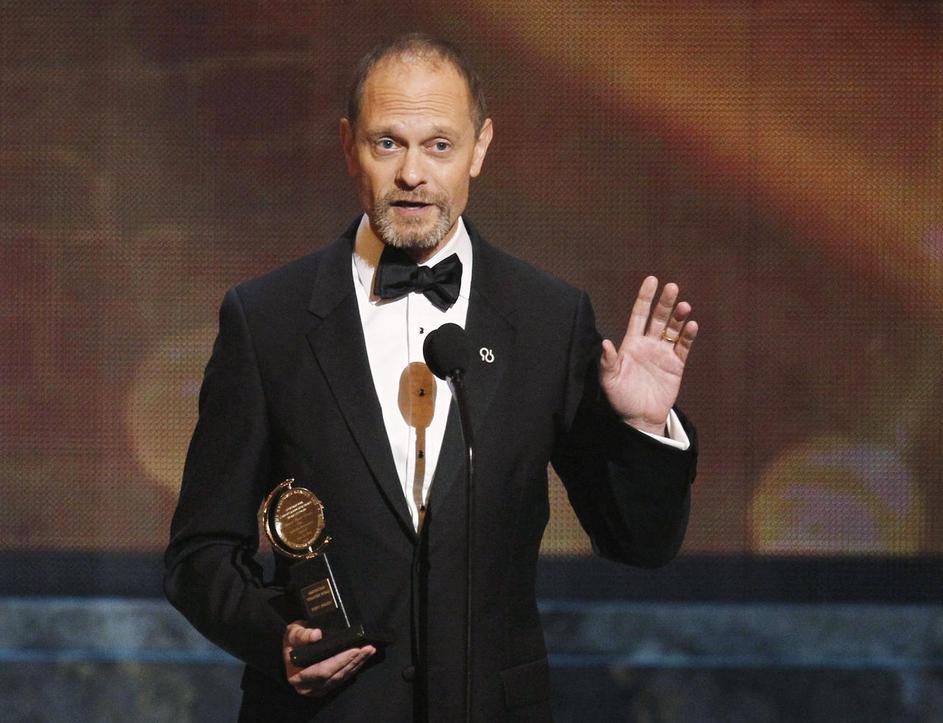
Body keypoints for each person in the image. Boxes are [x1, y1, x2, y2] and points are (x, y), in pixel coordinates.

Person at [165, 33, 699, 723]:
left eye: (439, 145)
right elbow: (200, 553)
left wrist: (643, 428)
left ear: (480, 148)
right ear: (348, 146)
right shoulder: (267, 318)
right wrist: (277, 639)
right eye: (387, 143)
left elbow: (639, 543)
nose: (412, 173)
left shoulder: (547, 317)